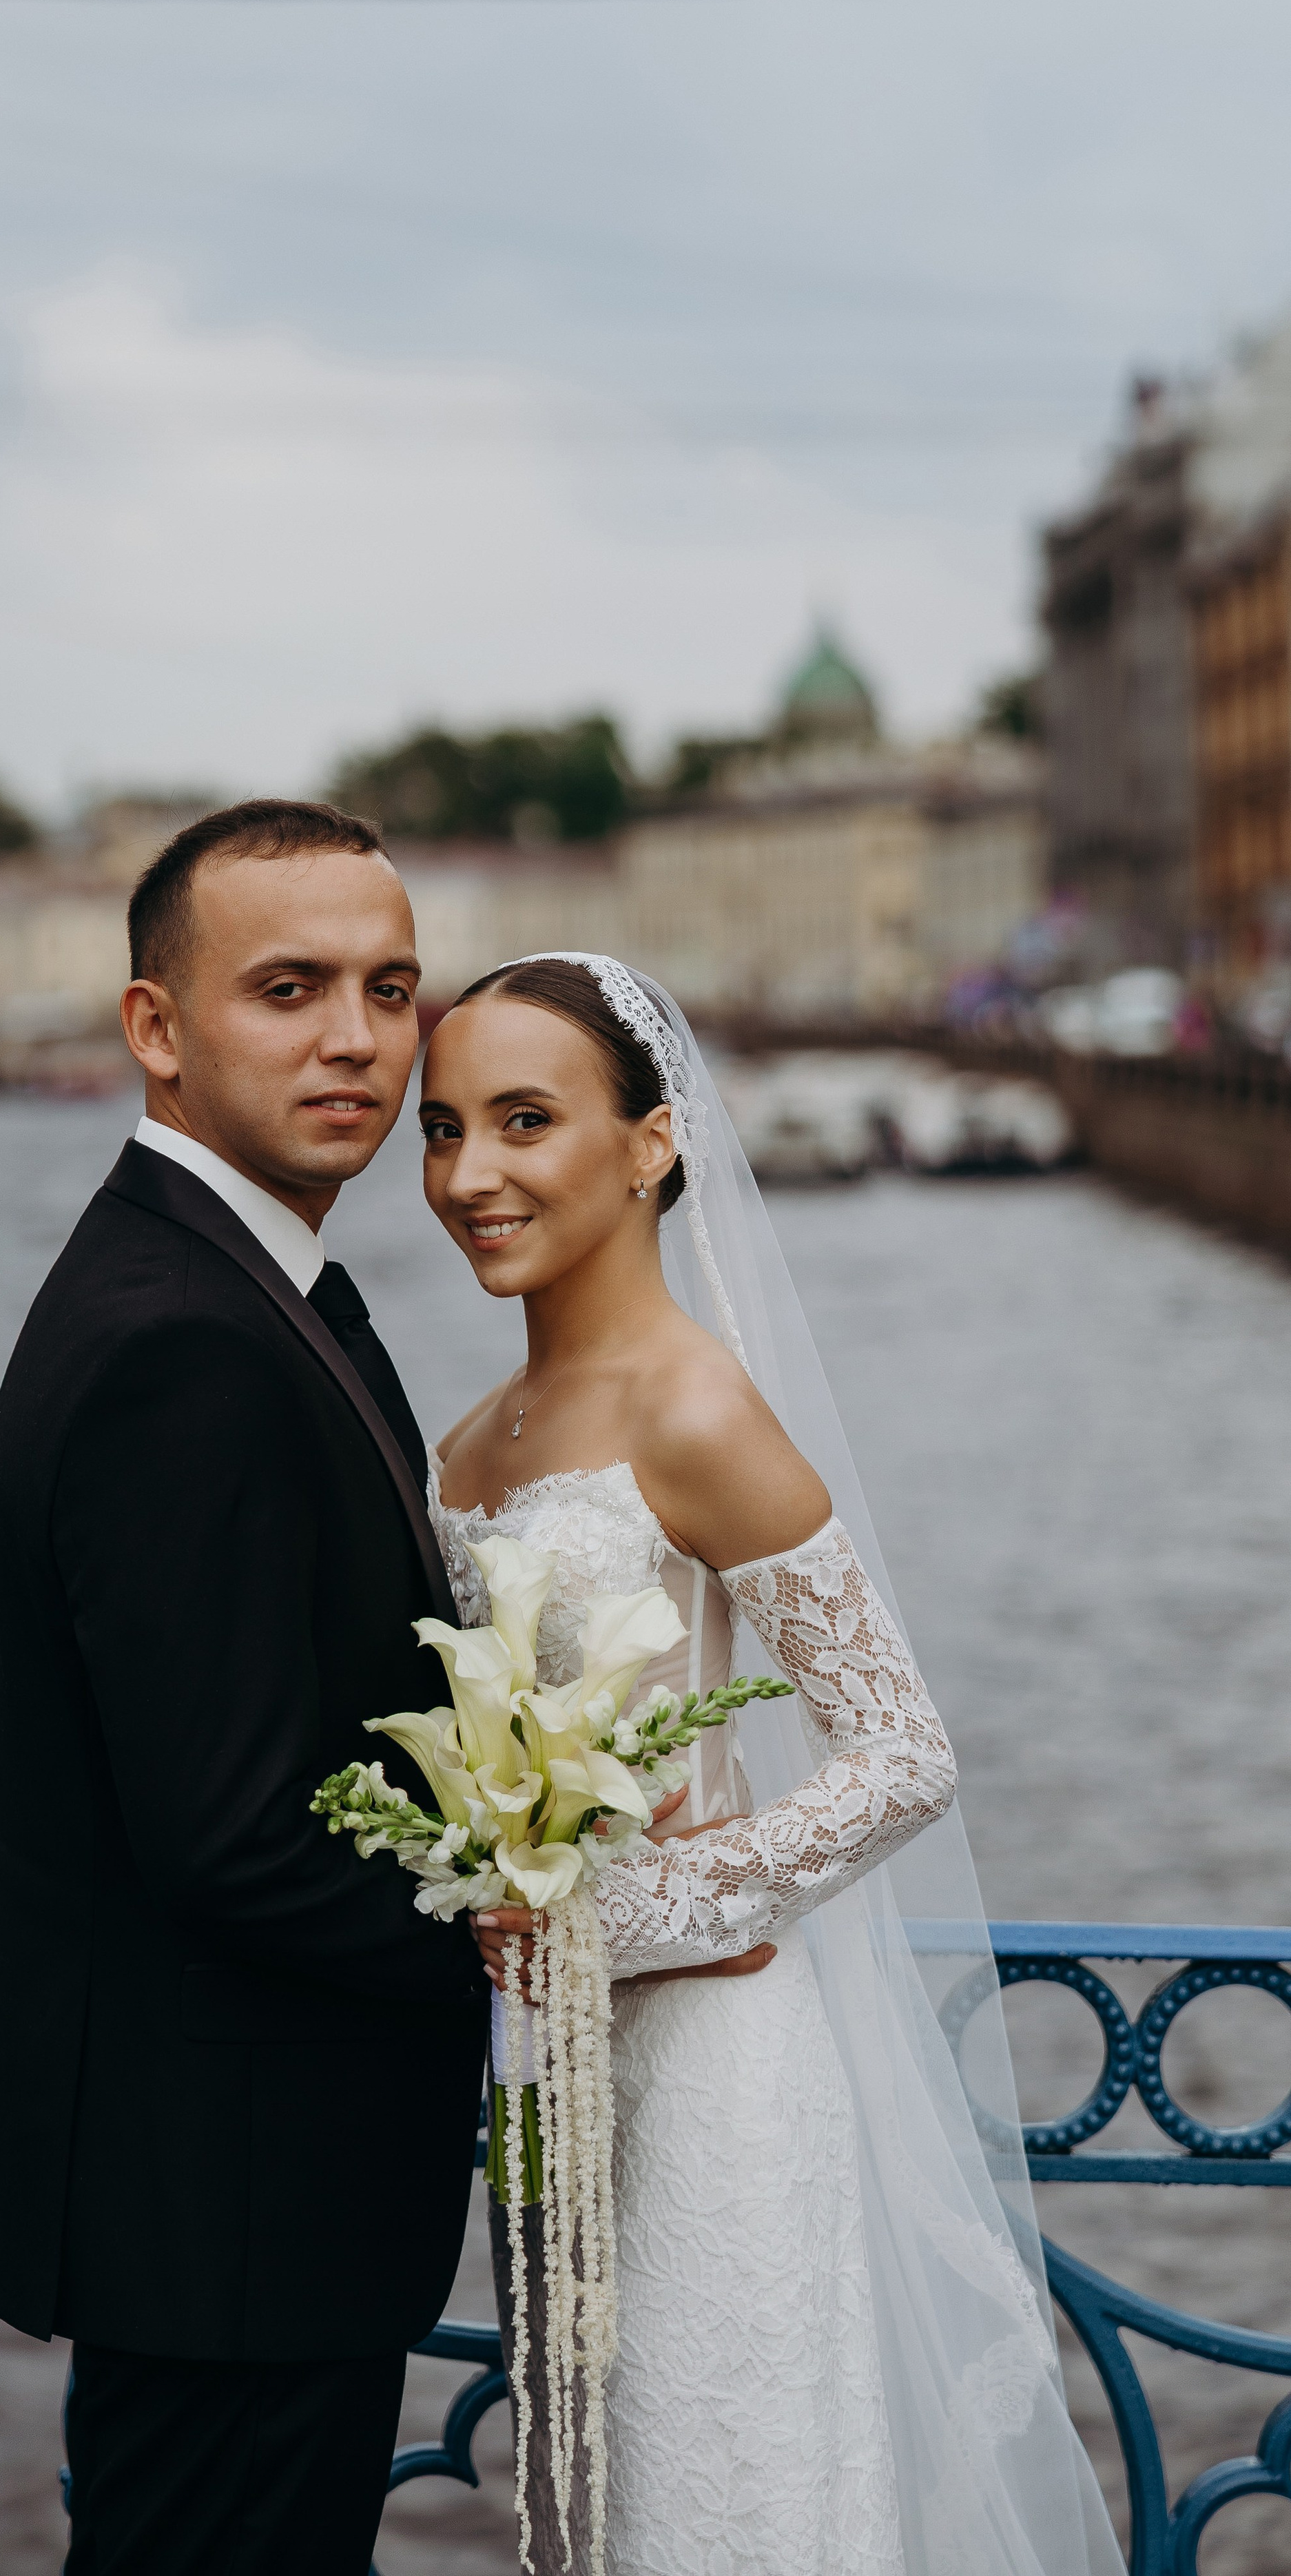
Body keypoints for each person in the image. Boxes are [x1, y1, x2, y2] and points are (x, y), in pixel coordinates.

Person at [418, 954, 1126, 2576]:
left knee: (721, 2509)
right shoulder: (472, 1432)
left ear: (650, 1141)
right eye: (441, 1129)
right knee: (595, 2512)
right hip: (551, 2077)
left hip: (714, 2067)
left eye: (523, 1121)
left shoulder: (693, 1409)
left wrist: (632, 1912)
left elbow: (902, 1753)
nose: (466, 1176)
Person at [0, 797, 490, 2576]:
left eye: (389, 989)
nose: (356, 1038)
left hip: (233, 2204)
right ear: (156, 1028)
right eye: (288, 988)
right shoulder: (182, 1338)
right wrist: (536, 1936)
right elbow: (238, 1837)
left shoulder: (224, 1284)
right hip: (235, 2212)